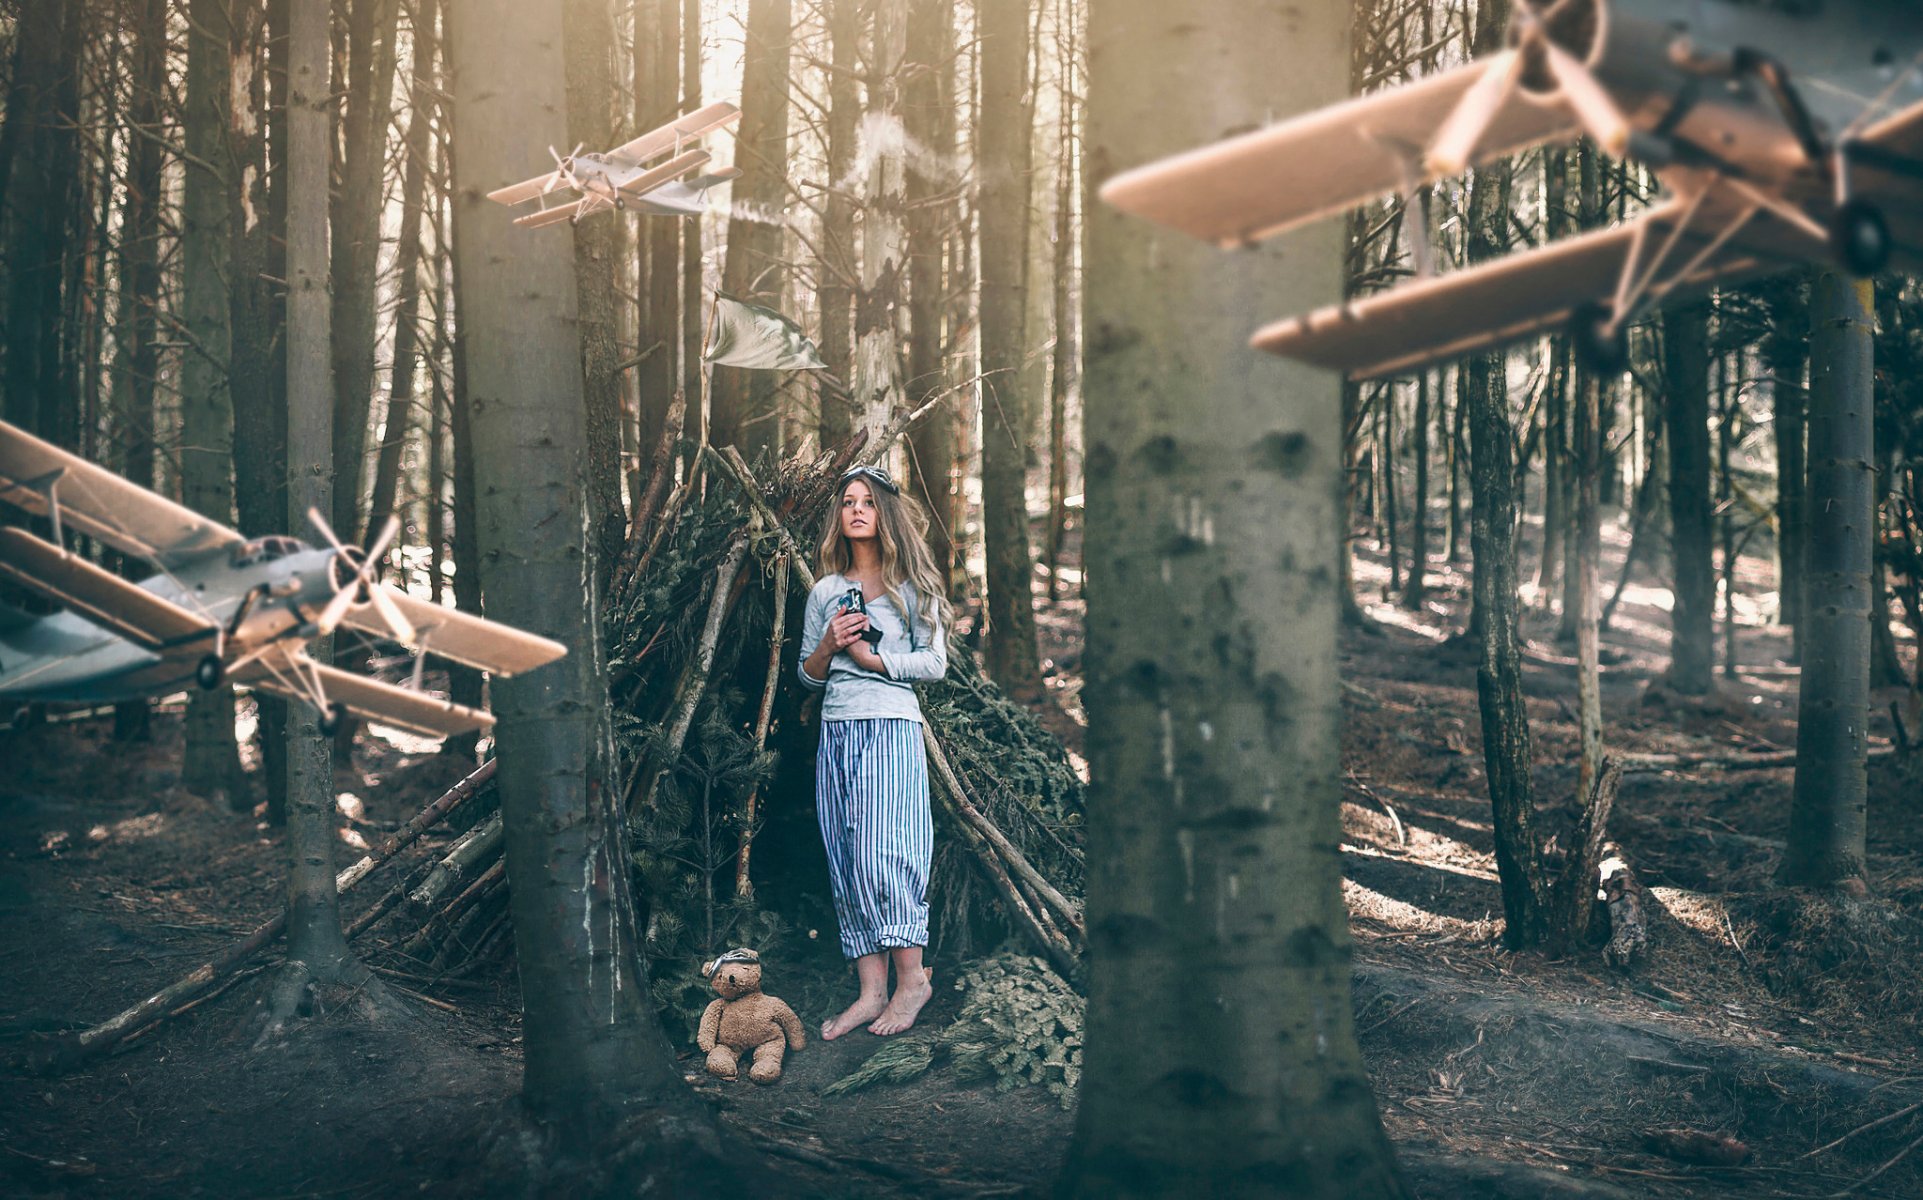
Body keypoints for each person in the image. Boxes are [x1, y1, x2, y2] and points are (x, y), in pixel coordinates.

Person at [797, 464, 950, 1038]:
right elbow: (808, 677)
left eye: (867, 502)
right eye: (847, 502)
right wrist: (830, 645)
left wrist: (874, 661)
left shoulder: (916, 590)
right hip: (837, 730)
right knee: (846, 855)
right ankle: (871, 991)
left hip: (890, 728)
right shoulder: (825, 591)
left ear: (885, 514)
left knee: (887, 856)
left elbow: (934, 664)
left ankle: (913, 982)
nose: (856, 509)